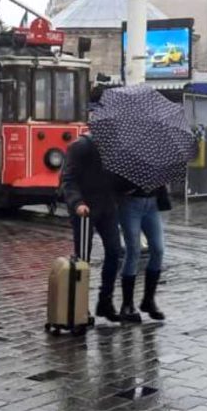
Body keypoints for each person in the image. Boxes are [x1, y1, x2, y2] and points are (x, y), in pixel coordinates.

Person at [61, 134, 126, 323]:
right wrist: (77, 203)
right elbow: (68, 179)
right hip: (85, 209)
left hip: (107, 208)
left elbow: (117, 181)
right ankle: (80, 307)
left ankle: (105, 302)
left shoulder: (116, 149)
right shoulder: (80, 147)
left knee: (115, 252)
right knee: (83, 258)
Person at [116, 185, 168, 322]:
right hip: (129, 202)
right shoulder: (122, 163)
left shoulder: (156, 163)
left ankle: (148, 300)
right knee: (133, 250)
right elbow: (113, 180)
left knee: (158, 249)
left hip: (152, 203)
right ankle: (127, 304)